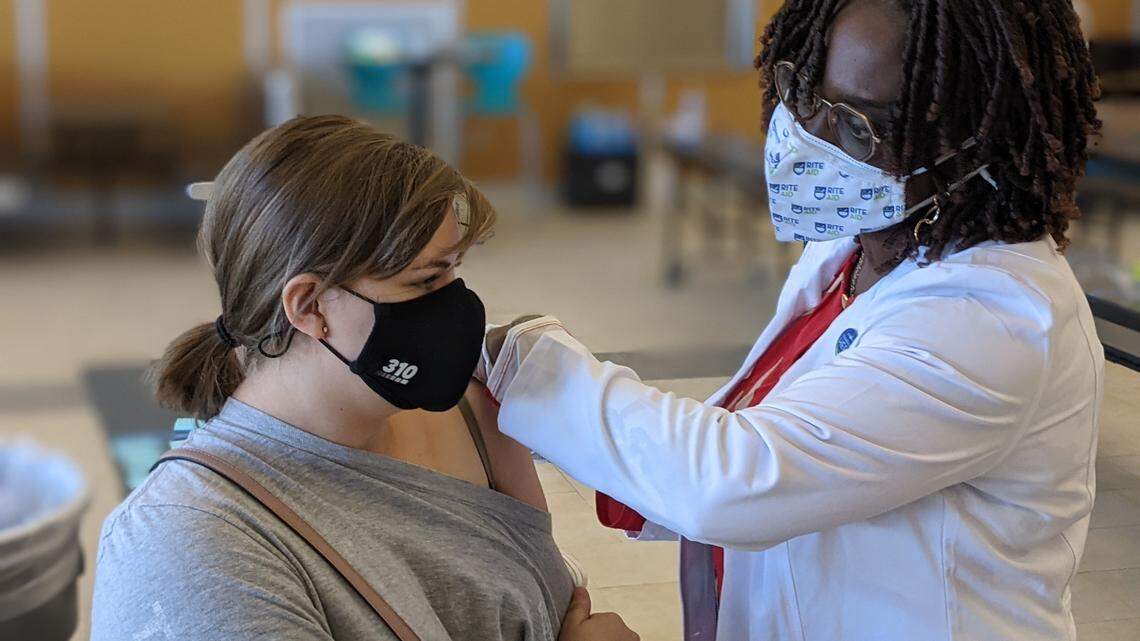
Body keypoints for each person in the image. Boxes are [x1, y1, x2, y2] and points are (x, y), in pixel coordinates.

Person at [477, 1, 1104, 640]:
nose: (807, 136)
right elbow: (772, 430)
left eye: (856, 126)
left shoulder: (993, 320)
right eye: (803, 92)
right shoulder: (856, 249)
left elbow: (736, 479)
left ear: (968, 142)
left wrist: (525, 362)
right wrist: (622, 472)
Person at [90, 116, 638, 641]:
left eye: (455, 269)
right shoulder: (187, 542)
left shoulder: (473, 413)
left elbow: (551, 607)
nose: (458, 307)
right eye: (425, 281)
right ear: (309, 306)